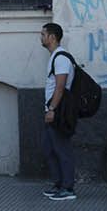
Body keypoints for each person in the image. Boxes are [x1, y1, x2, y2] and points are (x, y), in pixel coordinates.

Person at [39, 23, 77, 201]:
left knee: (62, 149)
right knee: (49, 148)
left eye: (43, 34)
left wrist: (52, 109)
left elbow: (60, 87)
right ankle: (59, 184)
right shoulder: (54, 57)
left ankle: (68, 188)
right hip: (52, 110)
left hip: (59, 111)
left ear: (52, 37)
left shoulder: (61, 58)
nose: (41, 38)